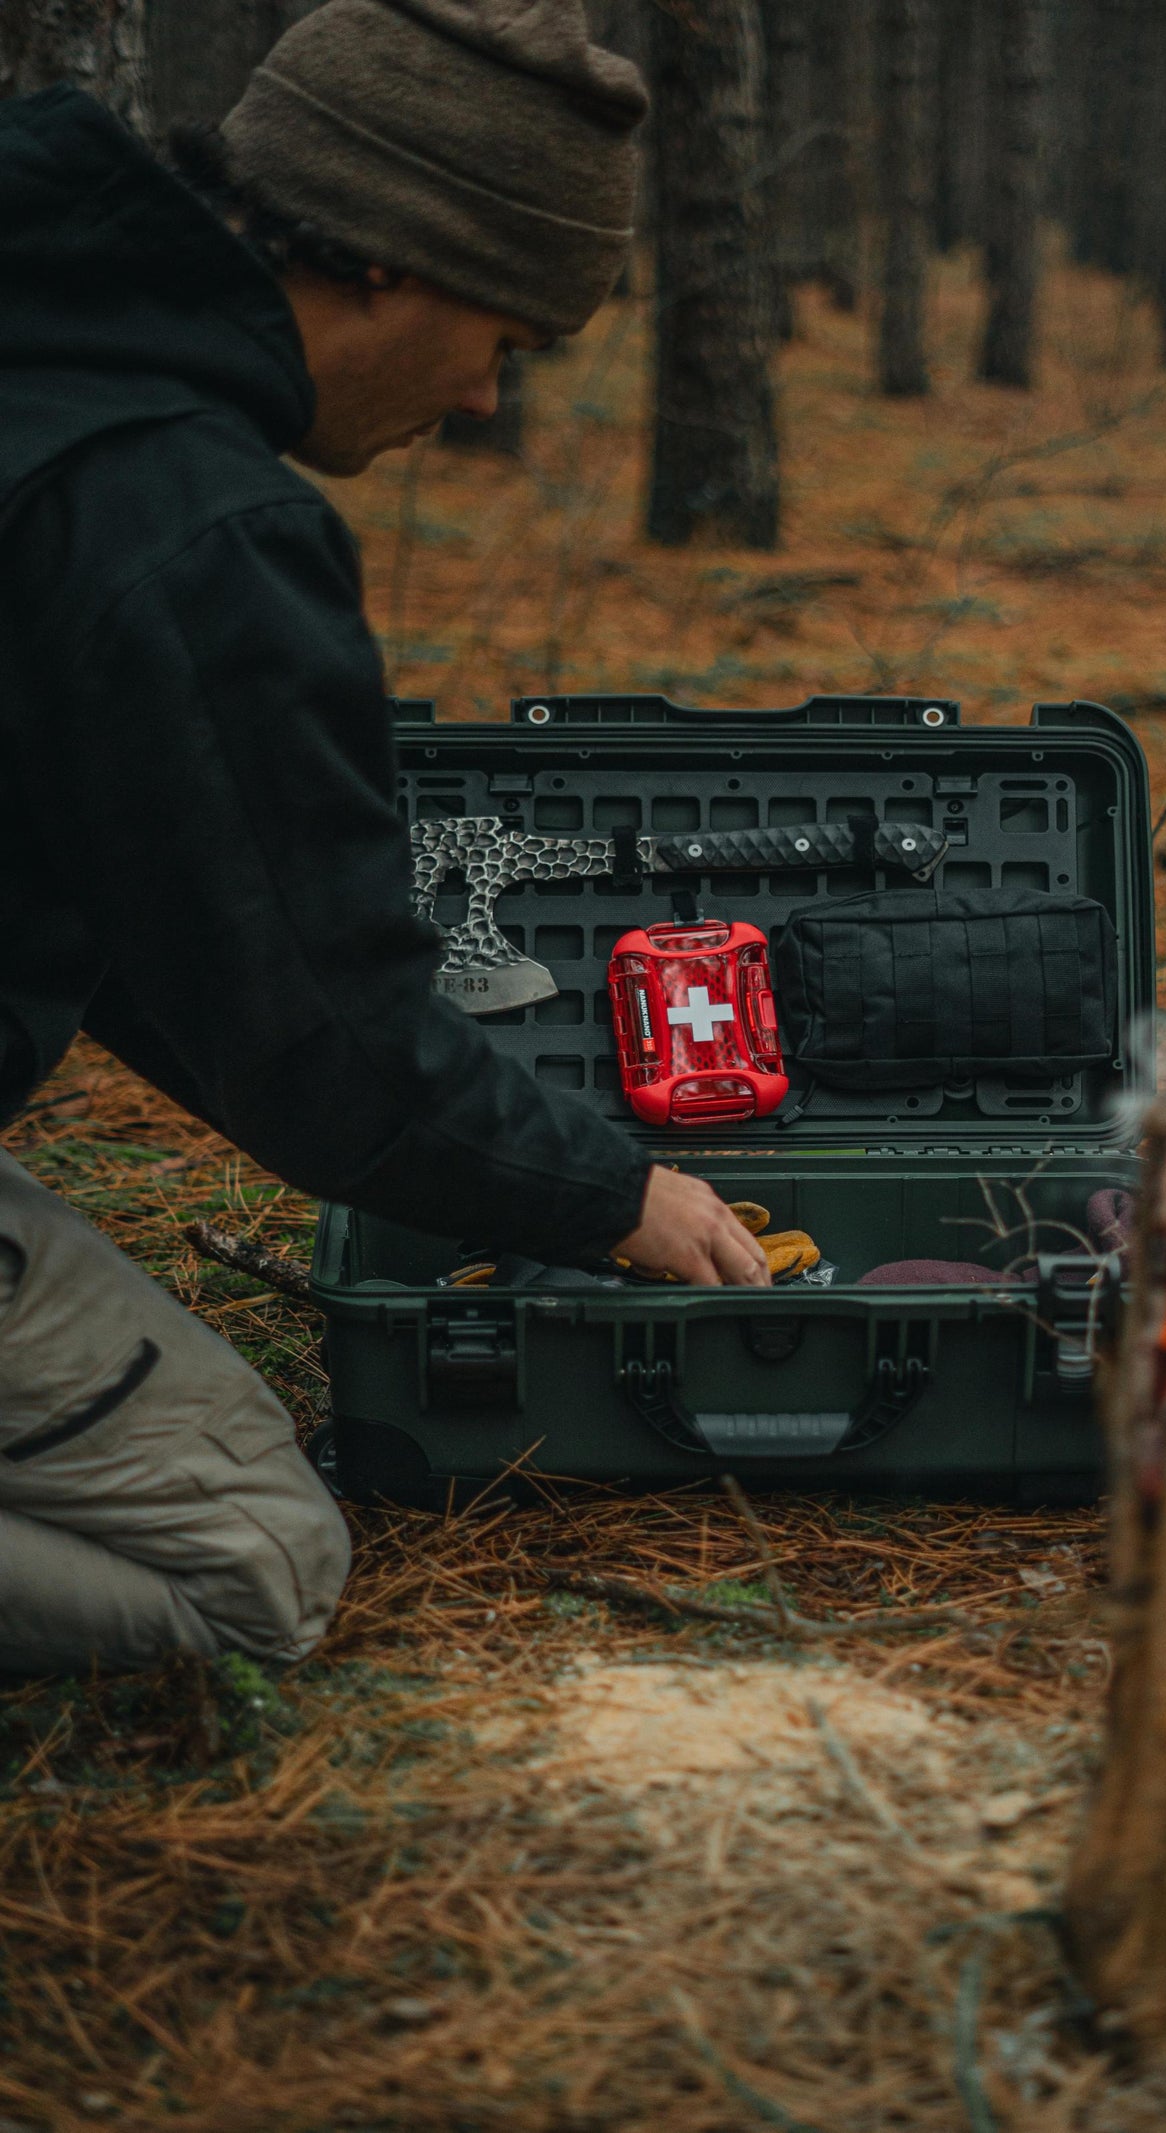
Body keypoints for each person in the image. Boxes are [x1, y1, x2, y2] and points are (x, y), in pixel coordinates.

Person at [0, 0, 770, 1677]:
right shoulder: (193, 525)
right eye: (505, 336)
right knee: (252, 1569)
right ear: (390, 263)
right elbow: (323, 1028)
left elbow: (171, 932)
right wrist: (609, 1190)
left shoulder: (42, 338)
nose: (489, 400)